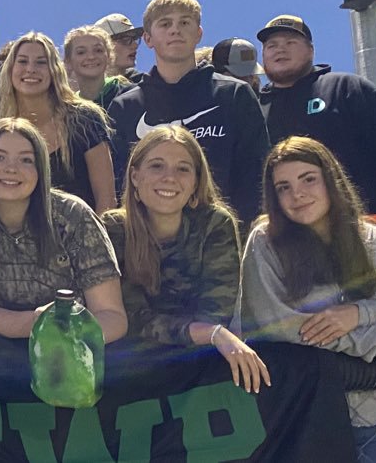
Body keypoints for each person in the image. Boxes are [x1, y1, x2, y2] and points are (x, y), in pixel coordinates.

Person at [241, 136, 376, 463]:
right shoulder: (265, 243)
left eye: (308, 179)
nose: (296, 194)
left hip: (371, 421)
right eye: (283, 187)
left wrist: (361, 312)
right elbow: (283, 328)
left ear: (332, 178)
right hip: (298, 420)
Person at [100, 124, 266, 393]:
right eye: (156, 166)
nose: (169, 178)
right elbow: (132, 319)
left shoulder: (215, 224)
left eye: (183, 168)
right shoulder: (113, 229)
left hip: (198, 368)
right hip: (131, 371)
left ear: (195, 181)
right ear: (134, 176)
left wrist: (211, 332)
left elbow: (216, 314)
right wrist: (209, 333)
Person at [257, 14, 376, 237]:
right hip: (289, 237)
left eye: (290, 43)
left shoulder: (347, 88)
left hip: (363, 226)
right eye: (271, 45)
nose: (280, 50)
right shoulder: (254, 109)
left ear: (311, 51)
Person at [106, 0, 270, 223]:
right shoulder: (125, 107)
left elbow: (257, 175)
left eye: (185, 22)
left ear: (198, 34)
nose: (175, 30)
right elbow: (119, 186)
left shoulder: (234, 95)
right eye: (165, 23)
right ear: (148, 39)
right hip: (147, 246)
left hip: (224, 243)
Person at [0, 118, 127, 341]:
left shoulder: (74, 216)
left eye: (26, 160)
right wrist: (37, 323)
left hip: (70, 346)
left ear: (41, 169)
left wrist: (62, 341)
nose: (11, 168)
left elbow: (112, 316)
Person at [0, 32, 117, 213]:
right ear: (10, 69)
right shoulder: (0, 130)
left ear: (54, 70)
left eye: (41, 62)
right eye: (22, 61)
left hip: (83, 237)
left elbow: (106, 199)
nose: (31, 69)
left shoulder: (84, 119)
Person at [64, 25, 134, 111]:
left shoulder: (132, 95)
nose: (91, 56)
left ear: (109, 57)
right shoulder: (69, 111)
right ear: (68, 61)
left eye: (98, 50)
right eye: (81, 52)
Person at [94, 13, 147, 84]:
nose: (135, 45)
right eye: (126, 40)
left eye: (135, 38)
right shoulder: (80, 92)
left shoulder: (146, 87)